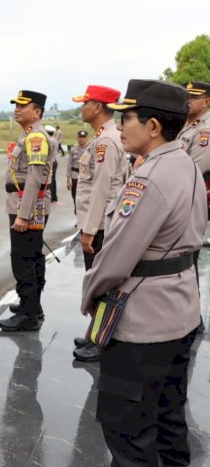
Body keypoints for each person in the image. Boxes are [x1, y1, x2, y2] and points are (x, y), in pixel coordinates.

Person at [82, 79, 205, 466]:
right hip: (181, 310)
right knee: (169, 421)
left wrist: (89, 294)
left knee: (129, 431)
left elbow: (115, 258)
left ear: (153, 126)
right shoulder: (183, 161)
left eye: (128, 118)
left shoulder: (147, 178)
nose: (120, 127)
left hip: (143, 323)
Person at [70, 85, 126, 362]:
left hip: (101, 226)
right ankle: (97, 331)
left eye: (85, 103)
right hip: (100, 223)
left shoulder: (106, 142)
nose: (82, 108)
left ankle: (103, 339)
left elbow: (101, 190)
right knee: (97, 282)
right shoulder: (106, 137)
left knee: (100, 285)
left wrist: (89, 230)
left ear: (98, 107)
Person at [0, 90, 57, 332]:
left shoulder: (36, 138)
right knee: (32, 256)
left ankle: (28, 314)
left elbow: (34, 178)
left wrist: (23, 215)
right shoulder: (29, 135)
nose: (17, 109)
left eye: (23, 106)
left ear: (37, 112)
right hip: (26, 203)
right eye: (16, 105)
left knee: (23, 259)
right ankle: (31, 306)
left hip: (27, 205)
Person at [178, 81, 210, 246]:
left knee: (186, 253)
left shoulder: (206, 129)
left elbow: (196, 169)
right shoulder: (183, 124)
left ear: (206, 101)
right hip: (177, 195)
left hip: (189, 197)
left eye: (194, 97)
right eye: (186, 96)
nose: (188, 100)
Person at [67, 130, 88, 215]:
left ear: (87, 138)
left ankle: (84, 217)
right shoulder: (73, 149)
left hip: (86, 177)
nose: (82, 139)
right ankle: (78, 216)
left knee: (85, 198)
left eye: (84, 137)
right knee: (75, 197)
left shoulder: (89, 149)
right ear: (77, 138)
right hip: (75, 176)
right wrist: (68, 180)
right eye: (80, 137)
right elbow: (69, 164)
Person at [45, 125, 59, 202]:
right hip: (55, 161)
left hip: (49, 162)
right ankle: (54, 196)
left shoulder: (48, 140)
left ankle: (50, 196)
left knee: (49, 180)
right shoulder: (55, 140)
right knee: (53, 179)